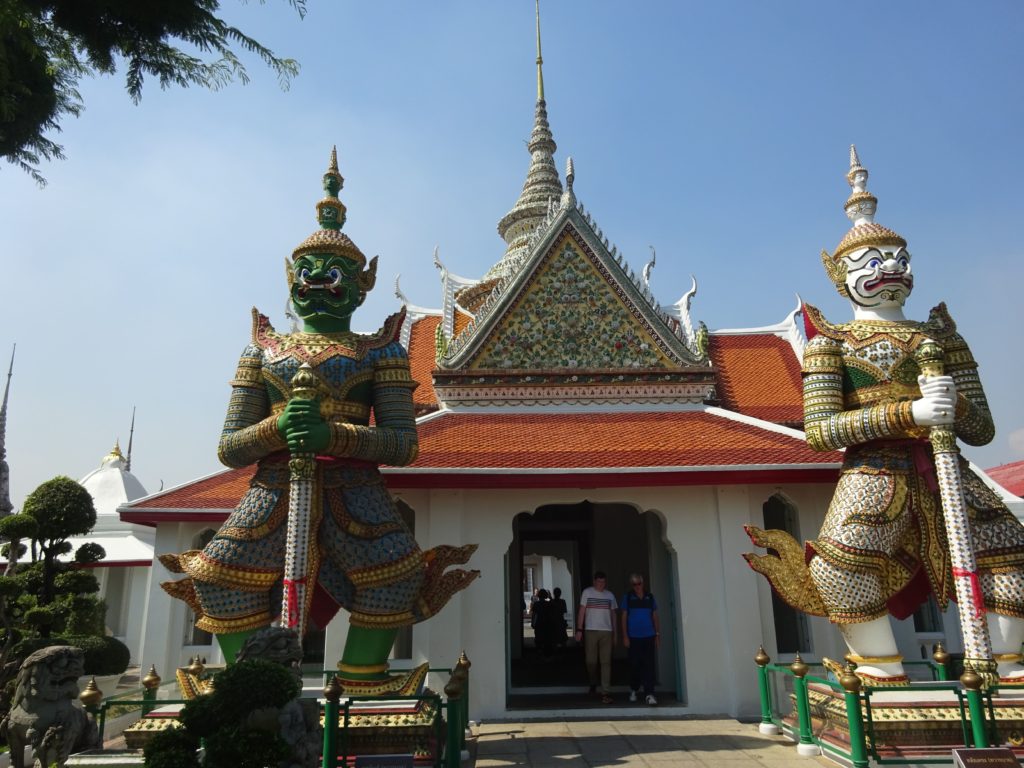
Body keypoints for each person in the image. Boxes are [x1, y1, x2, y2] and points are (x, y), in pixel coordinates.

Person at [160, 149, 478, 692]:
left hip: (356, 491)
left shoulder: (380, 351)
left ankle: (361, 679)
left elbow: (403, 444)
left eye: (334, 275)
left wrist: (333, 435)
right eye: (305, 274)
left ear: (362, 284)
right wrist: (278, 428)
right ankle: (251, 687)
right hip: (275, 486)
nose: (317, 284)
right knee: (219, 579)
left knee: (397, 580)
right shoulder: (262, 352)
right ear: (290, 280)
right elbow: (230, 447)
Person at [745, 147, 1024, 685]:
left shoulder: (941, 337)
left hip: (945, 467)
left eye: (898, 258)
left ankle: (1008, 669)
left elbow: (982, 429)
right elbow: (820, 431)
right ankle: (880, 670)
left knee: (1010, 562)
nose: (890, 268)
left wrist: (953, 405)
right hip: (874, 471)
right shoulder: (831, 344)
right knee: (837, 573)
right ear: (839, 274)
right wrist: (908, 412)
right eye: (871, 262)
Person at [575, 571, 617, 703]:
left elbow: (613, 615)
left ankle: (605, 692)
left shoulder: (610, 595)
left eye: (603, 582)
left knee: (606, 662)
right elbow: (582, 611)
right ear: (594, 582)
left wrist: (615, 633)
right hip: (590, 630)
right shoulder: (587, 592)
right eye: (599, 582)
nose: (601, 584)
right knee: (591, 661)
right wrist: (579, 630)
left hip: (607, 631)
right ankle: (593, 681)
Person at [621, 573, 659, 704]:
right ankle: (634, 688)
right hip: (633, 637)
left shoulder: (650, 597)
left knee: (649, 665)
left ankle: (650, 693)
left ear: (643, 584)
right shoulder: (628, 597)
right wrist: (625, 636)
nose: (637, 586)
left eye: (639, 583)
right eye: (634, 584)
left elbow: (655, 616)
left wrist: (657, 634)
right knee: (635, 665)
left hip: (649, 636)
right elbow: (624, 617)